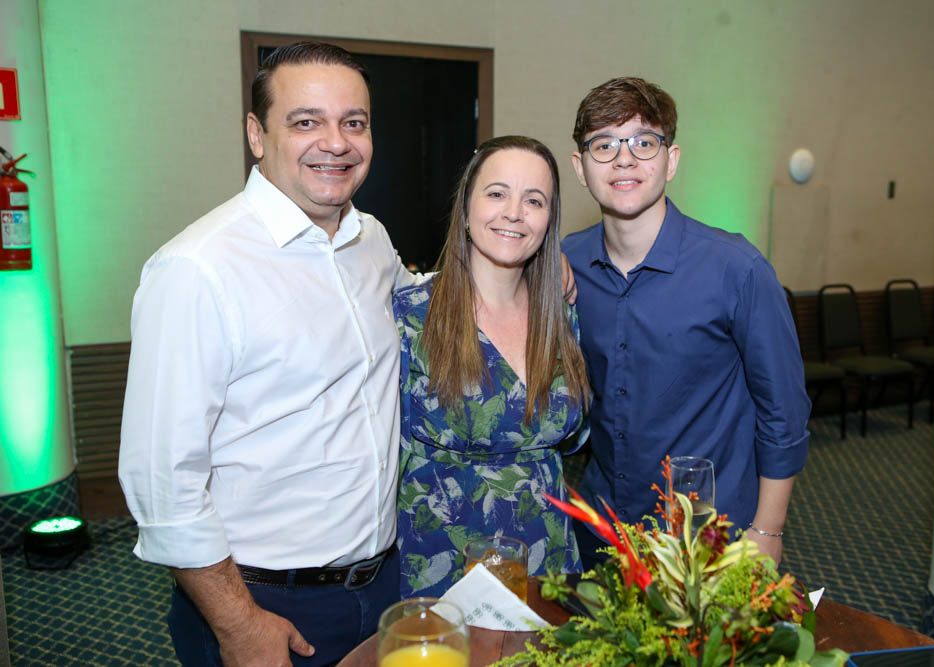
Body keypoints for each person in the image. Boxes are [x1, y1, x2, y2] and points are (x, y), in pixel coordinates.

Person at [118, 42, 417, 665]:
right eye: (306, 121)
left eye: (354, 122)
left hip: (383, 581)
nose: (335, 143)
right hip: (262, 601)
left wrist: (534, 266)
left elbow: (431, 303)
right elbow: (161, 480)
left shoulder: (371, 240)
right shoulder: (198, 268)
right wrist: (238, 623)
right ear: (257, 135)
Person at [562, 77, 810, 570]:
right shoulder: (565, 264)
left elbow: (783, 413)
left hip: (707, 536)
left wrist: (768, 529)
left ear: (671, 160)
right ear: (580, 167)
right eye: (604, 144)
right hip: (603, 528)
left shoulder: (736, 269)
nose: (624, 159)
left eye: (644, 142)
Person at [394, 136, 590, 597]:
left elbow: (577, 437)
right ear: (466, 208)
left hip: (549, 557)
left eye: (534, 200)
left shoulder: (561, 316)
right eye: (497, 193)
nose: (514, 213)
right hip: (443, 562)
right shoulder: (410, 316)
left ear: (549, 220)